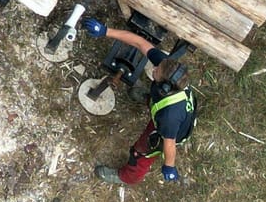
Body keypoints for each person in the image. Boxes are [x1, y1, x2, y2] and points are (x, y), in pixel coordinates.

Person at [83, 19, 194, 185]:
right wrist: (105, 31)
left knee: (141, 151)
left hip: (169, 129)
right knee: (157, 104)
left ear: (164, 87)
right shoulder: (171, 73)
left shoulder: (168, 119)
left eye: (157, 71)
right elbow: (139, 42)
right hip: (168, 112)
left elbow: (170, 144)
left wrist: (169, 166)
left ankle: (128, 177)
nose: (154, 69)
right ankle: (149, 100)